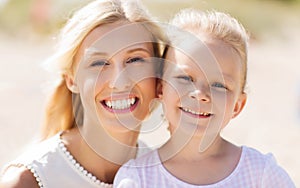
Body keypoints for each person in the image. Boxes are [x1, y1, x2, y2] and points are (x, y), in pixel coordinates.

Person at [114, 9, 296, 187]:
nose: (200, 94)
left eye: (219, 86)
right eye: (185, 78)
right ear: (161, 88)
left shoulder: (260, 174)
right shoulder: (137, 178)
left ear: (237, 106)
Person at [0, 0, 165, 187]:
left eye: (135, 59)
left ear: (158, 74)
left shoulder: (163, 174)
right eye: (98, 63)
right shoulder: (27, 181)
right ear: (72, 80)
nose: (119, 82)